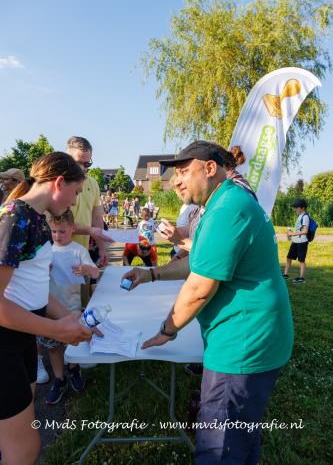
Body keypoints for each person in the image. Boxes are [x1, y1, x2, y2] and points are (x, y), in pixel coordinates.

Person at [123, 140, 294, 464]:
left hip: (243, 344)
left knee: (221, 448)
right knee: (241, 440)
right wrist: (150, 274)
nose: (176, 181)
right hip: (249, 338)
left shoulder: (229, 207)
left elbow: (200, 287)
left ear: (210, 168)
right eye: (174, 175)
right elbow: (197, 262)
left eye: (184, 172)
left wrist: (167, 329)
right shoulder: (221, 203)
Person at [0, 152, 100, 464]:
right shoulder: (15, 217)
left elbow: (37, 289)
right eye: (76, 192)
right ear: (59, 183)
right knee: (25, 448)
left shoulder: (36, 219)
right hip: (4, 343)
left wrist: (73, 319)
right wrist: (56, 329)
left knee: (18, 426)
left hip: (21, 339)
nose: (74, 202)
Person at [38, 209, 99, 405]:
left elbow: (95, 271)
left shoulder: (78, 250)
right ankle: (59, 379)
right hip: (49, 309)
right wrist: (43, 270)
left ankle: (73, 369)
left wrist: (86, 269)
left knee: (73, 341)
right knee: (53, 347)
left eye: (62, 231)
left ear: (72, 229)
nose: (57, 236)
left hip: (72, 306)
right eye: (54, 231)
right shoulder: (45, 250)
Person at [66, 136, 108, 266]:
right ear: (67, 159)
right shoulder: (59, 183)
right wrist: (90, 230)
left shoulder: (93, 183)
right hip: (58, 255)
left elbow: (96, 218)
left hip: (83, 254)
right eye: (78, 163)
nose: (84, 168)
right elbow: (58, 224)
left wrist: (101, 248)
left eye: (87, 164)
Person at [283, 198, 309, 284]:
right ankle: (285, 275)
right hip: (295, 241)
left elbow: (305, 231)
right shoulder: (299, 216)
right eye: (295, 207)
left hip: (302, 242)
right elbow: (298, 229)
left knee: (301, 260)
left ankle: (301, 278)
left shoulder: (305, 217)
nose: (295, 209)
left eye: (297, 207)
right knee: (289, 258)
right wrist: (290, 233)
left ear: (303, 208)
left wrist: (292, 234)